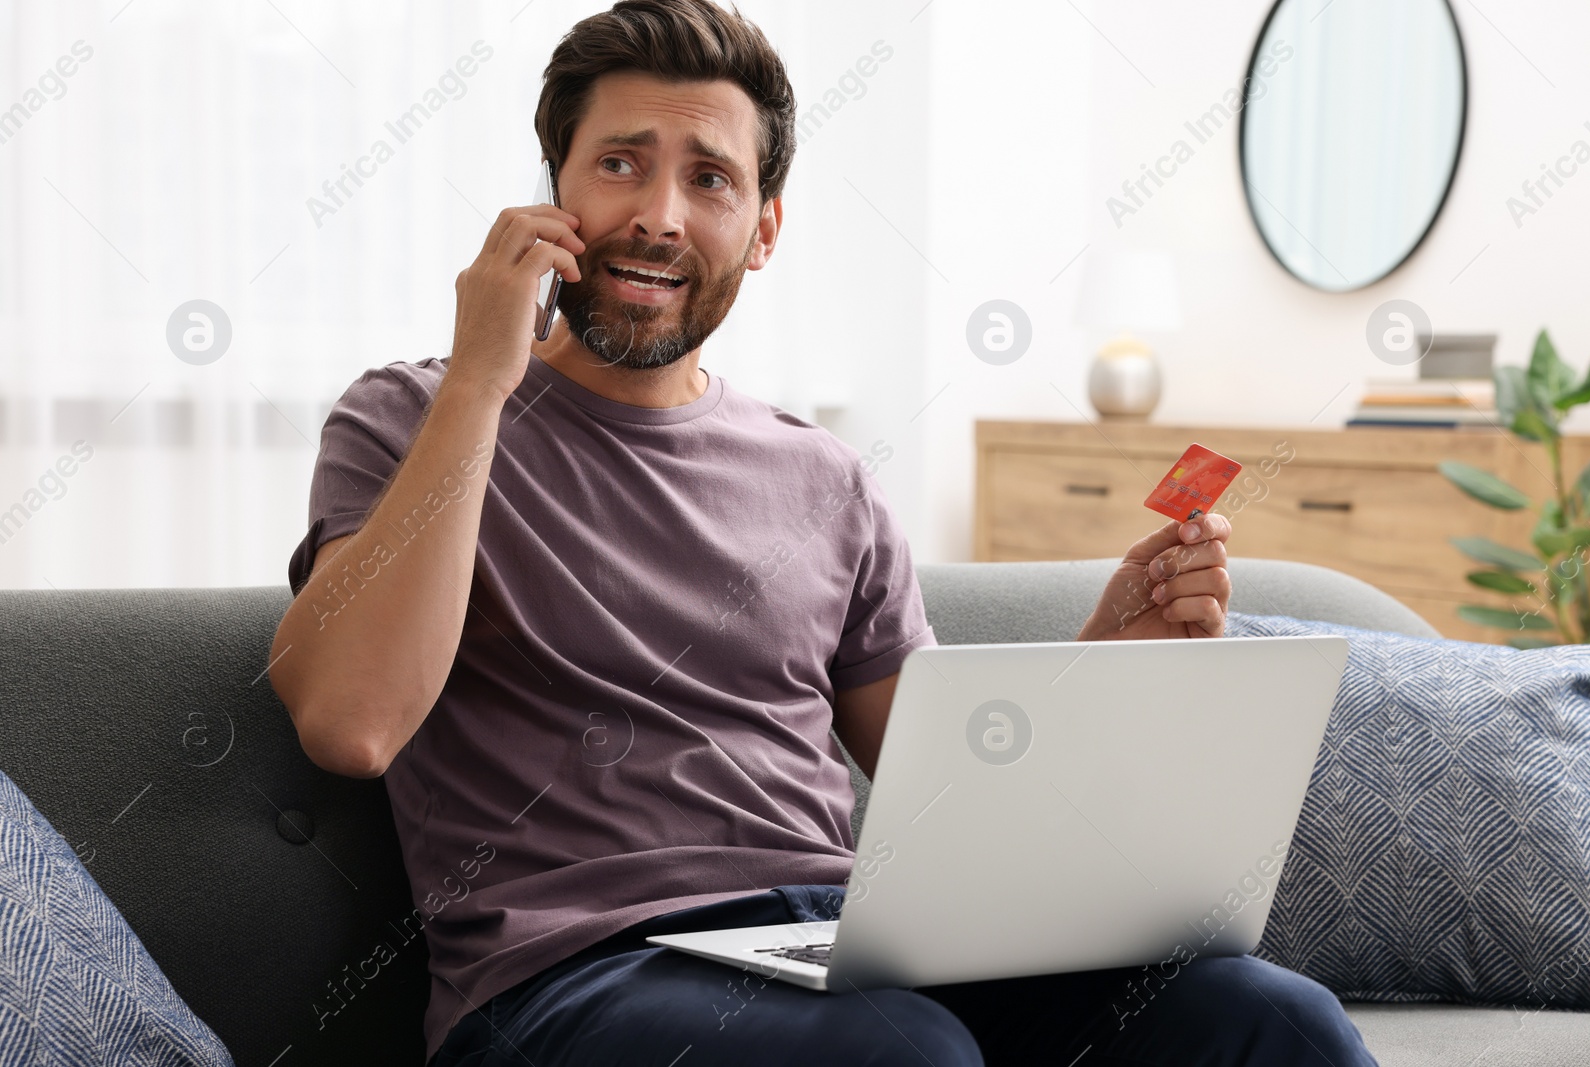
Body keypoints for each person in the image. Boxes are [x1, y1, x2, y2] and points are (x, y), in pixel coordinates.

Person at [268, 1, 1377, 1063]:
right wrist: (480, 379)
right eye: (619, 162)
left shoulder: (824, 478)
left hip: (835, 947)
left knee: (1268, 1018)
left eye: (709, 178)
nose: (657, 212)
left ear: (762, 231)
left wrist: (1102, 665)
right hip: (573, 977)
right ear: (555, 192)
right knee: (899, 1048)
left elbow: (948, 805)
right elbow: (351, 724)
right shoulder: (413, 417)